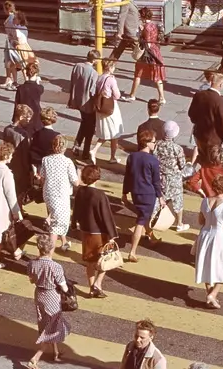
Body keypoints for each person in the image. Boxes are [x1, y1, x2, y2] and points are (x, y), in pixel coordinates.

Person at [23, 233, 72, 369]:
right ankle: (35, 358)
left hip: (39, 295)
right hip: (52, 296)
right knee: (52, 328)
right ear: (51, 249)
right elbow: (64, 287)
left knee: (46, 323)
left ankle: (55, 352)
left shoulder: (32, 263)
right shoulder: (56, 267)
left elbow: (32, 280)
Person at [194, 168, 223, 309]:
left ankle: (210, 295)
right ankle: (213, 294)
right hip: (219, 237)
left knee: (206, 265)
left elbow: (201, 220)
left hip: (205, 234)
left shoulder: (205, 202)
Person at [72, 164, 118, 298]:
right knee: (105, 259)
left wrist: (74, 223)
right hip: (99, 233)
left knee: (90, 262)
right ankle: (98, 284)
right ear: (97, 178)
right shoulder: (100, 195)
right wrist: (112, 234)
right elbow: (106, 216)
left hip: (86, 231)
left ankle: (92, 287)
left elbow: (76, 209)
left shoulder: (80, 191)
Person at [122, 128, 162, 261]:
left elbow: (127, 176)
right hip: (148, 194)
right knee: (141, 221)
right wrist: (160, 197)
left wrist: (124, 193)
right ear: (147, 143)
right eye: (154, 142)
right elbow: (156, 182)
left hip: (136, 192)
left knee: (144, 216)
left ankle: (152, 237)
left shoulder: (131, 157)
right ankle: (132, 251)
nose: (155, 144)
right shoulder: (153, 161)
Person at [40, 135, 80, 248]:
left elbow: (42, 178)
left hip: (48, 193)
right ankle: (49, 252)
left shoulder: (46, 160)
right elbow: (76, 182)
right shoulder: (67, 162)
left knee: (56, 218)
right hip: (61, 195)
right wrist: (80, 174)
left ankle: (64, 242)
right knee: (57, 225)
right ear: (65, 148)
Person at [187, 70, 223, 164]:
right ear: (221, 84)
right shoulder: (219, 101)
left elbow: (191, 113)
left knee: (203, 160)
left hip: (199, 135)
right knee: (213, 162)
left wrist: (198, 122)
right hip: (213, 138)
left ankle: (203, 175)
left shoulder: (199, 95)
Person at [154, 121, 191, 232]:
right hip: (174, 178)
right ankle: (179, 223)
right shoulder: (177, 148)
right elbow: (182, 164)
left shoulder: (157, 144)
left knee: (161, 198)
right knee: (177, 200)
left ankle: (155, 218)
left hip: (161, 177)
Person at [128, 7, 167, 104]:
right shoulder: (153, 25)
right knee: (157, 76)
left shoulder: (146, 27)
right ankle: (162, 97)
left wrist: (141, 34)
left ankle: (132, 95)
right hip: (155, 51)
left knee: (138, 74)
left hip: (147, 53)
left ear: (143, 16)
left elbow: (147, 43)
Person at [89, 58, 125, 164]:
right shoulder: (111, 79)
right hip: (110, 108)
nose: (114, 68)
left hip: (100, 107)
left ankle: (98, 152)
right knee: (114, 133)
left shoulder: (100, 77)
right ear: (109, 67)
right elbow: (117, 95)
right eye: (113, 67)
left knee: (106, 133)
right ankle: (109, 155)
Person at [69, 49, 100, 160]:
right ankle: (86, 151)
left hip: (77, 101)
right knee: (90, 128)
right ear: (95, 60)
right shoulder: (94, 73)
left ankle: (76, 146)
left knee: (84, 123)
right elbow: (92, 92)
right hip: (88, 104)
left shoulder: (77, 66)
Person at [3, 104, 35, 204]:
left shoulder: (7, 129)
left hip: (9, 162)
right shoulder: (22, 134)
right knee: (20, 190)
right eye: (28, 119)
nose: (29, 121)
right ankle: (18, 210)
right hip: (21, 166)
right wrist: (29, 169)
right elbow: (25, 153)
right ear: (21, 117)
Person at [110, 0, 143, 78]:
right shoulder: (126, 1)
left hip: (129, 31)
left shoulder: (130, 0)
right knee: (139, 50)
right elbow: (121, 17)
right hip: (129, 32)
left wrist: (139, 24)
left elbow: (133, 16)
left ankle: (109, 64)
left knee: (118, 50)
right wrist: (119, 31)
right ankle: (143, 68)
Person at [14, 59, 44, 128]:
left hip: (24, 114)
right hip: (36, 114)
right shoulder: (39, 88)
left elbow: (17, 103)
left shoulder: (20, 88)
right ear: (36, 74)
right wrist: (37, 82)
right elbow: (40, 89)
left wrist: (15, 118)